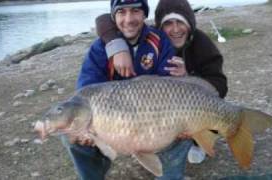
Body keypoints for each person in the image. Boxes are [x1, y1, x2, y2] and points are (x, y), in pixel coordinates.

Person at [95, 0, 228, 179]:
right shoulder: (158, 43)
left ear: (190, 23)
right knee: (166, 116)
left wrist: (189, 77)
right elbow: (105, 19)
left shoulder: (201, 43)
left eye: (180, 22)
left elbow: (220, 84)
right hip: (169, 105)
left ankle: (198, 141)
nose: (175, 29)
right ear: (158, 26)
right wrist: (115, 44)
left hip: (202, 101)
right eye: (168, 23)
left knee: (199, 113)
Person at [62, 0, 176, 179]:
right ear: (113, 16)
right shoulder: (100, 48)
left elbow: (172, 87)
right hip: (112, 123)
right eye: (121, 12)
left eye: (135, 11)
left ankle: (170, 174)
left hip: (155, 117)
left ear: (145, 14)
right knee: (73, 132)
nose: (129, 19)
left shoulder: (159, 41)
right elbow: (84, 93)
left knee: (183, 122)